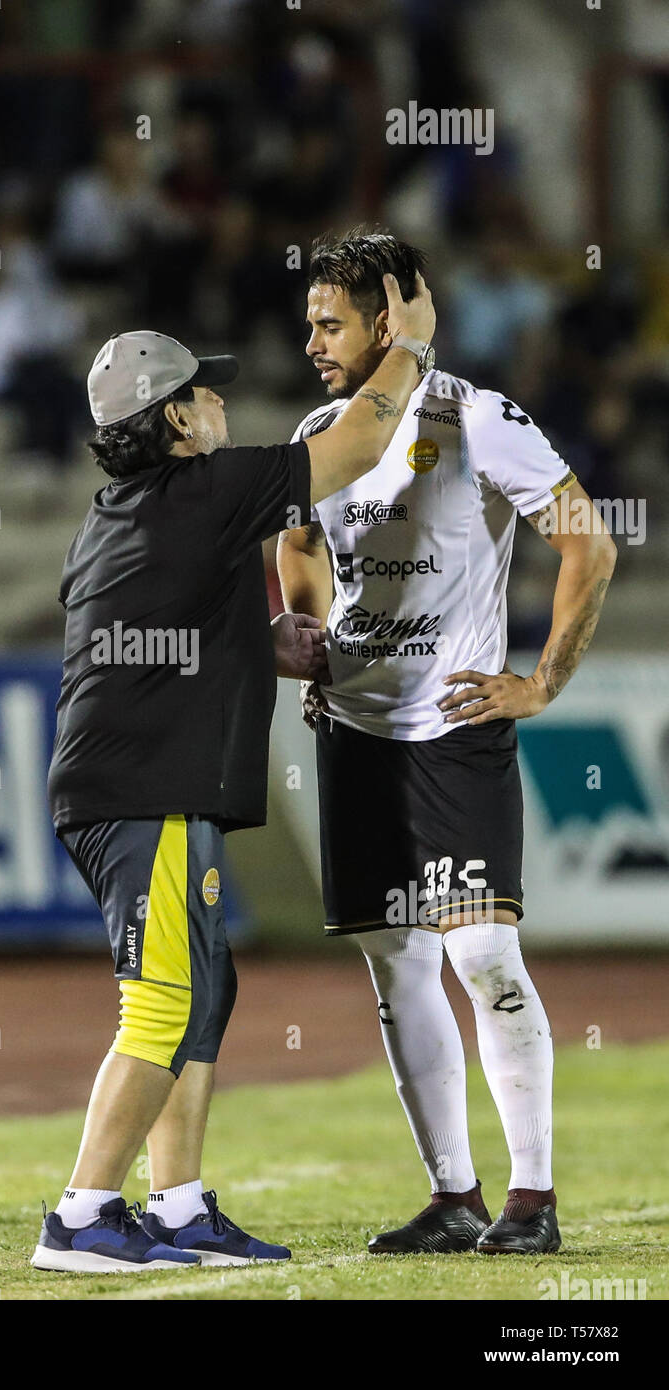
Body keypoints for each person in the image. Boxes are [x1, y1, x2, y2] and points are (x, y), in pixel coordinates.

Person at [35, 270, 436, 1274]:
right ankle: (82, 1215)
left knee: (203, 987)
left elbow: (150, 627)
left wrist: (258, 641)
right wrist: (412, 347)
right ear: (173, 418)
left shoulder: (124, 509)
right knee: (163, 999)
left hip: (128, 784)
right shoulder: (206, 488)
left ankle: (177, 1206)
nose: (220, 400)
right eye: (202, 391)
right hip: (145, 792)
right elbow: (357, 443)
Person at [276, 229, 617, 1256]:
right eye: (307, 324)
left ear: (387, 319)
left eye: (329, 322)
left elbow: (587, 540)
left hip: (454, 728)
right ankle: (453, 1194)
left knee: (482, 956)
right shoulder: (323, 428)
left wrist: (539, 682)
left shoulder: (477, 418)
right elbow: (294, 544)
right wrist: (304, 626)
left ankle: (533, 1198)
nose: (312, 343)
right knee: (397, 966)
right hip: (355, 733)